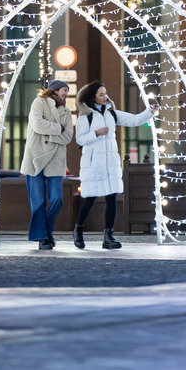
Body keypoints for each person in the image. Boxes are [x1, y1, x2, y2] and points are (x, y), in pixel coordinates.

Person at [74, 80, 158, 249]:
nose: (105, 97)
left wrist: (150, 111)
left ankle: (108, 236)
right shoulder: (86, 117)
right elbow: (80, 139)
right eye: (101, 94)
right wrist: (96, 133)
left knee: (111, 199)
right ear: (93, 97)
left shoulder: (112, 114)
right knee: (89, 199)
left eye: (105, 93)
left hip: (110, 164)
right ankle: (78, 230)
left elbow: (134, 120)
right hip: (93, 165)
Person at [20, 79, 73, 250]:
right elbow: (37, 124)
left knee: (57, 199)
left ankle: (46, 230)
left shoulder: (66, 111)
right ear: (55, 90)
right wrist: (58, 129)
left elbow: (68, 137)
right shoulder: (39, 102)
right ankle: (42, 236)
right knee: (38, 201)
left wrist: (49, 133)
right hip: (36, 157)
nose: (66, 93)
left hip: (56, 160)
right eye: (64, 89)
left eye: (67, 90)